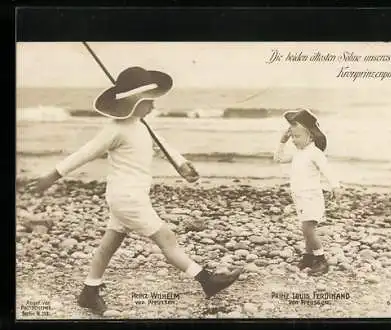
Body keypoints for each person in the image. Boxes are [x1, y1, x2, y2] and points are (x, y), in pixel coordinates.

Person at [27, 66, 242, 315]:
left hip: (130, 197)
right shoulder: (116, 129)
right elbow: (85, 153)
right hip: (127, 198)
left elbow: (164, 147)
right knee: (167, 239)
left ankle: (89, 291)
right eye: (148, 101)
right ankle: (207, 281)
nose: (153, 106)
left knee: (109, 244)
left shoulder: (141, 125)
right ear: (134, 102)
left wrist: (181, 165)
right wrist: (53, 175)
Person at [273, 108, 340, 276]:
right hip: (300, 197)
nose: (294, 140)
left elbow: (327, 169)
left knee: (307, 229)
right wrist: (282, 141)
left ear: (310, 135)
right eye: (292, 136)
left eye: (297, 137)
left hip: (311, 197)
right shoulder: (299, 153)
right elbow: (278, 159)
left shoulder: (314, 153)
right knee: (307, 229)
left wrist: (336, 186)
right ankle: (309, 257)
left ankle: (321, 259)